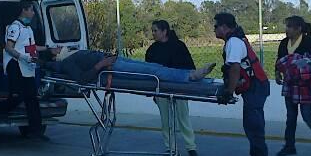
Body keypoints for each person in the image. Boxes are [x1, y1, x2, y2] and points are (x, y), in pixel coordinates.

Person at [214, 12, 271, 156]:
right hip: (255, 87)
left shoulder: (233, 42)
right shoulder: (236, 40)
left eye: (216, 26)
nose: (214, 30)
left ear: (224, 27)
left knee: (254, 126)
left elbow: (234, 68)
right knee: (251, 125)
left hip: (255, 87)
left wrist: (229, 92)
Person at [0, 0, 57, 139]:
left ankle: (35, 130)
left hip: (27, 66)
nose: (33, 13)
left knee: (31, 97)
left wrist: (48, 49)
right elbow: (8, 47)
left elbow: (31, 47)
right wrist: (23, 57)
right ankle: (1, 110)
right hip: (15, 64)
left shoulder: (28, 29)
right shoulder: (15, 27)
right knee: (18, 95)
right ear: (24, 10)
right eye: (31, 10)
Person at [145, 20, 202, 156]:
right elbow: (149, 70)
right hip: (161, 89)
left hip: (179, 88)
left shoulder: (179, 46)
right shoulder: (152, 50)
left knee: (183, 117)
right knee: (166, 120)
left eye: (155, 30)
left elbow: (189, 67)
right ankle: (170, 147)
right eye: (152, 31)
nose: (153, 33)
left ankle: (191, 146)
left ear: (164, 31)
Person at [275, 16, 311, 156]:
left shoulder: (308, 41)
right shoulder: (284, 43)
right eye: (286, 27)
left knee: (306, 115)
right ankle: (289, 146)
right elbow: (279, 60)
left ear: (298, 28)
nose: (286, 30)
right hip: (290, 83)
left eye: (289, 27)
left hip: (305, 84)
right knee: (291, 116)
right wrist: (277, 73)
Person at [46, 48, 215, 86]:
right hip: (110, 67)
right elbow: (82, 79)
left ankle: (191, 73)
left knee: (154, 66)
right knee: (152, 71)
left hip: (112, 61)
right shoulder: (66, 63)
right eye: (54, 49)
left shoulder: (71, 55)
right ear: (55, 56)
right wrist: (101, 64)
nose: (58, 47)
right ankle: (189, 77)